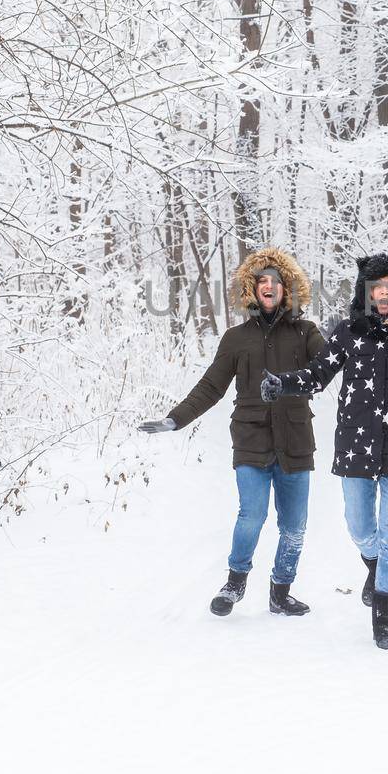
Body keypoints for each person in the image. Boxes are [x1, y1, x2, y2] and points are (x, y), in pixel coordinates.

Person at [261, 254, 388, 649]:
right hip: (357, 442)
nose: (384, 293)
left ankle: (384, 623)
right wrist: (283, 383)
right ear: (367, 292)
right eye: (377, 287)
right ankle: (372, 565)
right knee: (359, 526)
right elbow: (317, 374)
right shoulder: (347, 333)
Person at [138, 248, 324, 618]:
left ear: (288, 288)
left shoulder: (306, 332)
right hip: (252, 441)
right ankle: (235, 583)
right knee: (250, 516)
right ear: (252, 290)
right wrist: (176, 419)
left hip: (295, 441)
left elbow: (328, 370)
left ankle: (280, 592)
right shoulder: (236, 338)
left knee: (294, 526)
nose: (268, 286)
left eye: (276, 280)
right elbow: (211, 386)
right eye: (262, 281)